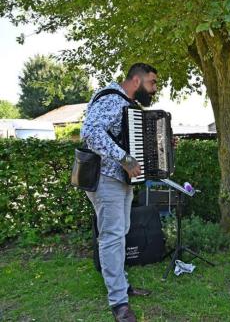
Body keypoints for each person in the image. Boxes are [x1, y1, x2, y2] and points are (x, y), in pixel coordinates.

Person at [81, 63, 158, 322]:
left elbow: (131, 140)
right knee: (112, 237)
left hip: (122, 181)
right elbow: (90, 133)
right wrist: (124, 158)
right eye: (152, 83)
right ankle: (119, 303)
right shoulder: (111, 100)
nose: (154, 89)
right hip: (105, 178)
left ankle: (121, 285)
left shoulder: (129, 106)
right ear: (136, 81)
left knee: (120, 233)